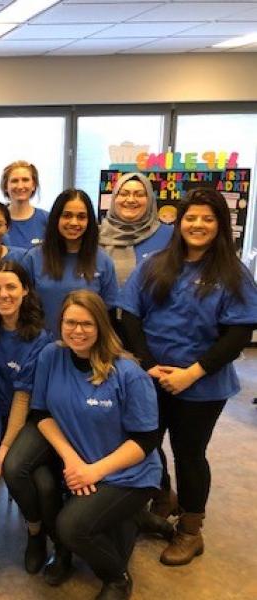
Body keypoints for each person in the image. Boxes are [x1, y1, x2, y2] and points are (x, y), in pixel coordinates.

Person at [119, 188, 257, 566]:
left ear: (220, 226)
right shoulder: (155, 263)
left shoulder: (232, 273)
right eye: (190, 218)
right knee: (146, 442)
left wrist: (191, 373)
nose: (197, 225)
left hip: (203, 382)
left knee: (189, 454)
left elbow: (238, 335)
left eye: (207, 219)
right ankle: (163, 498)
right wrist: (148, 364)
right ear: (178, 223)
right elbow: (129, 316)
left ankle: (190, 531)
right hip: (152, 377)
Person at [26, 290, 162, 600]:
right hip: (82, 465)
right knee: (65, 510)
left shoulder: (128, 373)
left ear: (101, 325)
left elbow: (146, 440)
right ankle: (136, 520)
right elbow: (41, 413)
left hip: (129, 473)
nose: (77, 330)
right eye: (69, 322)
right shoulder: (51, 356)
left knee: (72, 527)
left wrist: (94, 472)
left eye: (86, 323)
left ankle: (117, 579)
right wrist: (73, 460)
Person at [0, 262, 54, 576]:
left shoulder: (38, 337)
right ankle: (42, 533)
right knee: (38, 480)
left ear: (25, 290)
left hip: (31, 418)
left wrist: (6, 445)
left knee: (32, 478)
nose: (3, 294)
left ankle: (39, 537)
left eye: (11, 287)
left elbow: (23, 400)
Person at [22, 189, 118, 333]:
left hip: (86, 347)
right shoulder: (33, 259)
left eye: (81, 217)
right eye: (67, 215)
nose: (74, 222)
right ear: (56, 218)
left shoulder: (103, 261)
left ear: (89, 221)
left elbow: (108, 315)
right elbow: (23, 310)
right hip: (42, 348)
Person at [99, 172, 173, 289]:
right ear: (114, 198)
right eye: (124, 194)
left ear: (150, 200)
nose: (131, 200)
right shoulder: (96, 235)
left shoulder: (169, 236)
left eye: (139, 195)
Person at [1, 160, 49, 250]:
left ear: (34, 185)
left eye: (25, 180)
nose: (20, 186)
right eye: (14, 181)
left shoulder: (47, 220)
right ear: (5, 187)